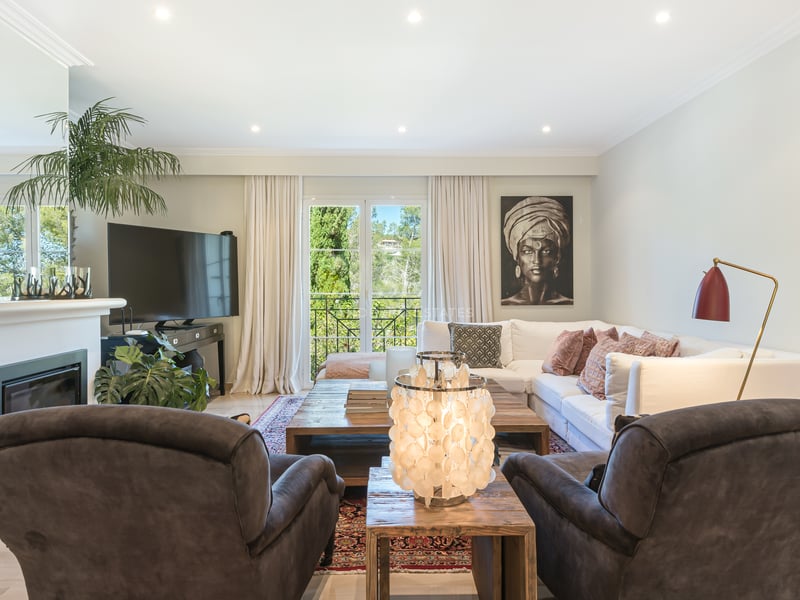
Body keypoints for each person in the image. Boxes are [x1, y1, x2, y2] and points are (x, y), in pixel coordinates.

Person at [502, 196, 573, 305]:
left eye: (546, 251)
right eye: (527, 251)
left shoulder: (568, 304)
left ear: (557, 257)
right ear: (517, 257)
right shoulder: (505, 305)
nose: (536, 260)